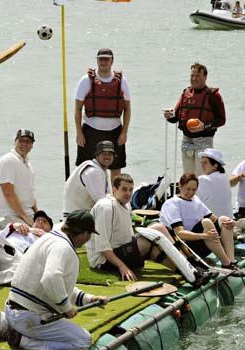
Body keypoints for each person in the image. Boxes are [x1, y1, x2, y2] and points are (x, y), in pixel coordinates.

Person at [0, 210, 109, 350]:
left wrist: (89, 299)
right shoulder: (63, 247)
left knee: (47, 310)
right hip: (30, 318)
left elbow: (58, 284)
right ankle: (23, 340)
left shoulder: (47, 238)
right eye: (89, 234)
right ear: (84, 233)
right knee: (83, 341)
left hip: (14, 310)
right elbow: (51, 278)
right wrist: (66, 308)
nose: (88, 238)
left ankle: (5, 323)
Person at [87, 174, 184, 281]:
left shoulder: (126, 204)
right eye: (124, 189)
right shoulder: (106, 207)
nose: (128, 193)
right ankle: (187, 269)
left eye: (130, 190)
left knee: (159, 228)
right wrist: (122, 266)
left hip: (122, 250)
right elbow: (102, 248)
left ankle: (186, 269)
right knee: (147, 244)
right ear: (114, 190)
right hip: (103, 261)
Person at [160, 173, 244, 275]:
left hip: (202, 243)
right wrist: (205, 235)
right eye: (187, 189)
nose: (190, 192)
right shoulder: (172, 204)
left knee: (224, 219)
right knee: (206, 222)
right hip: (185, 248)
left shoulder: (196, 200)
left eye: (194, 190)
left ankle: (231, 261)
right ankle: (226, 263)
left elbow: (215, 219)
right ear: (180, 186)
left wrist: (231, 223)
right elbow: (179, 233)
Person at [75, 48, 131, 182]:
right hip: (90, 130)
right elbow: (77, 108)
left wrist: (124, 132)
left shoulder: (122, 81)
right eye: (101, 59)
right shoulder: (85, 80)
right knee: (86, 168)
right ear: (97, 61)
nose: (103, 62)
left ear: (112, 61)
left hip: (114, 131)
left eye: (106, 59)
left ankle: (114, 200)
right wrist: (79, 133)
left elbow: (127, 108)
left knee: (116, 169)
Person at [164, 63, 226, 175]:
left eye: (197, 75)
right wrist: (169, 116)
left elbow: (221, 120)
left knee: (201, 176)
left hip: (204, 141)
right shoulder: (186, 93)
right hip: (186, 140)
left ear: (205, 77)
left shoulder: (213, 96)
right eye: (192, 75)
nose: (194, 78)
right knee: (188, 177)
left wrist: (205, 126)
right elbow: (175, 117)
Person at [0, 210, 53, 285]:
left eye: (44, 222)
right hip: (4, 250)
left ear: (50, 229)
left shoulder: (50, 240)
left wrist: (46, 236)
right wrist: (13, 226)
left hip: (20, 261)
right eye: (38, 220)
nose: (40, 222)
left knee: (23, 275)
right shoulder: (19, 229)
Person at [0, 129, 38, 228]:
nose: (24, 144)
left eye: (28, 142)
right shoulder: (8, 161)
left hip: (27, 213)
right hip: (9, 215)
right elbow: (8, 193)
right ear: (15, 142)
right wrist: (25, 217)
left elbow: (29, 193)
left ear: (32, 145)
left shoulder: (28, 164)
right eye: (21, 141)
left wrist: (38, 213)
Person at [63, 140, 115, 216]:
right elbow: (101, 202)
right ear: (97, 156)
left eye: (110, 154)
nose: (107, 156)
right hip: (75, 217)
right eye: (104, 154)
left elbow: (108, 196)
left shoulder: (106, 171)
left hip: (87, 214)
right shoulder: (93, 171)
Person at [197, 148, 234, 218]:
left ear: (215, 166)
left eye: (205, 163)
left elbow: (196, 201)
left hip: (212, 220)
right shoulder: (225, 177)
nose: (202, 165)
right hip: (228, 218)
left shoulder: (203, 179)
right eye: (201, 162)